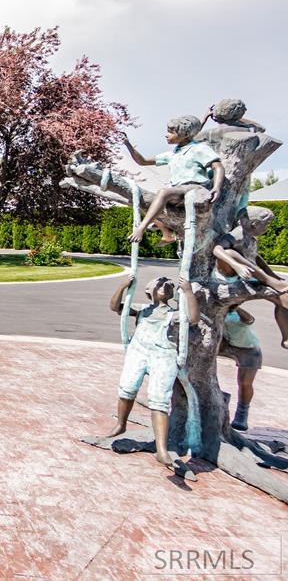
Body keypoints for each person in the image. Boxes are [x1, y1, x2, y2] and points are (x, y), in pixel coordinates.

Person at [104, 275, 199, 468]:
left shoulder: (174, 314)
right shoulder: (142, 310)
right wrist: (124, 285)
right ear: (149, 291)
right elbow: (115, 307)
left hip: (163, 355)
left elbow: (193, 318)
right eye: (159, 283)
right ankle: (121, 424)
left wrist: (188, 292)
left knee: (159, 399)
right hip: (139, 352)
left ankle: (161, 449)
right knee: (127, 388)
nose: (165, 284)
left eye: (169, 284)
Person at [122, 115, 225, 244]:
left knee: (163, 193)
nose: (166, 135)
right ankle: (166, 232)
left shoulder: (199, 149)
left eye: (171, 131)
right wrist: (128, 144)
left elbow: (218, 167)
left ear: (185, 134)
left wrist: (217, 187)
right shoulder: (172, 154)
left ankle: (141, 228)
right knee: (149, 201)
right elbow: (142, 162)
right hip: (179, 190)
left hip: (196, 188)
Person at [219, 306, 262, 431]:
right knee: (203, 367)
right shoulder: (216, 310)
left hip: (248, 348)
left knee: (245, 383)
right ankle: (219, 400)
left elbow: (249, 320)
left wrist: (236, 308)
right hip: (225, 346)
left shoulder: (236, 313)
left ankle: (242, 413)